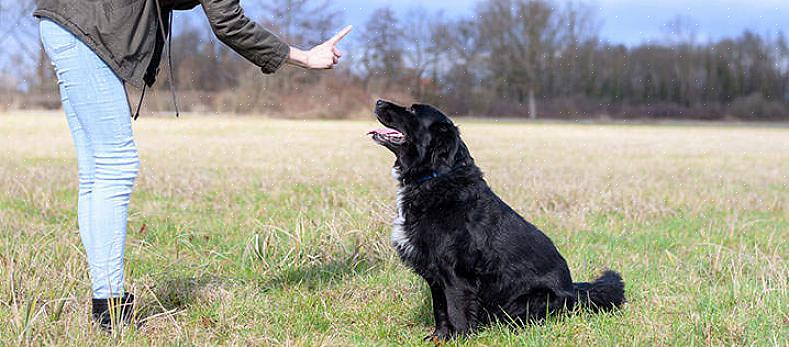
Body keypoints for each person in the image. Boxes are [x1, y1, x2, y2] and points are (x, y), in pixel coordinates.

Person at [33, 0, 351, 330]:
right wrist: (305, 57)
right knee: (116, 164)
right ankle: (110, 308)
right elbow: (228, 22)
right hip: (86, 28)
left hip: (66, 20)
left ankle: (106, 305)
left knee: (97, 171)